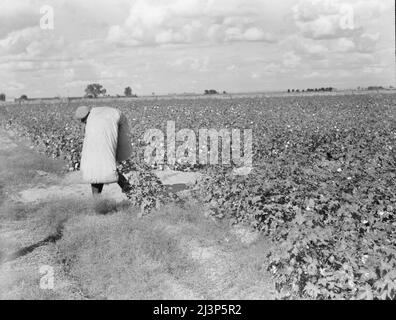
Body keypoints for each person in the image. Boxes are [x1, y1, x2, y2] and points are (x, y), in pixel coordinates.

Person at [74, 105, 132, 196]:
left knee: (98, 172)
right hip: (108, 142)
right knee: (104, 170)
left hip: (103, 148)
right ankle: (131, 193)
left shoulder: (91, 121)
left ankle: (97, 199)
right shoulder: (96, 115)